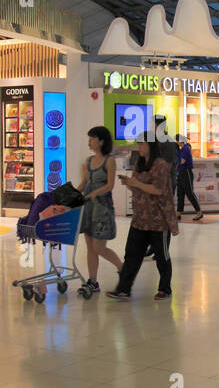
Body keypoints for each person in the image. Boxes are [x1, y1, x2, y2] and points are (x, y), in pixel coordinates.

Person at [108, 138, 179, 301]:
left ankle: (165, 289)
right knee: (132, 254)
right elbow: (137, 185)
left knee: (162, 256)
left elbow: (158, 190)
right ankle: (123, 289)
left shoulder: (160, 165)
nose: (139, 147)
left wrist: (136, 184)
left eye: (142, 144)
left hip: (158, 221)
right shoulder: (139, 164)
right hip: (140, 218)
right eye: (138, 144)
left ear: (151, 146)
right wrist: (129, 183)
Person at [78, 126, 124, 295]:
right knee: (90, 247)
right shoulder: (89, 160)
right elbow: (84, 182)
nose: (89, 142)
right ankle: (93, 281)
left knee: (99, 247)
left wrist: (93, 194)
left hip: (102, 208)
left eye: (92, 138)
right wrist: (72, 194)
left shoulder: (109, 161)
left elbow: (110, 185)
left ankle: (123, 269)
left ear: (101, 141)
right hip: (88, 207)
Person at [174, 135, 203, 221]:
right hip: (180, 173)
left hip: (186, 172)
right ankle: (178, 212)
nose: (176, 142)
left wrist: (174, 165)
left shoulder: (185, 148)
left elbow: (182, 161)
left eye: (176, 140)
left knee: (189, 193)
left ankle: (199, 212)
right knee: (180, 193)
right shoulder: (181, 149)